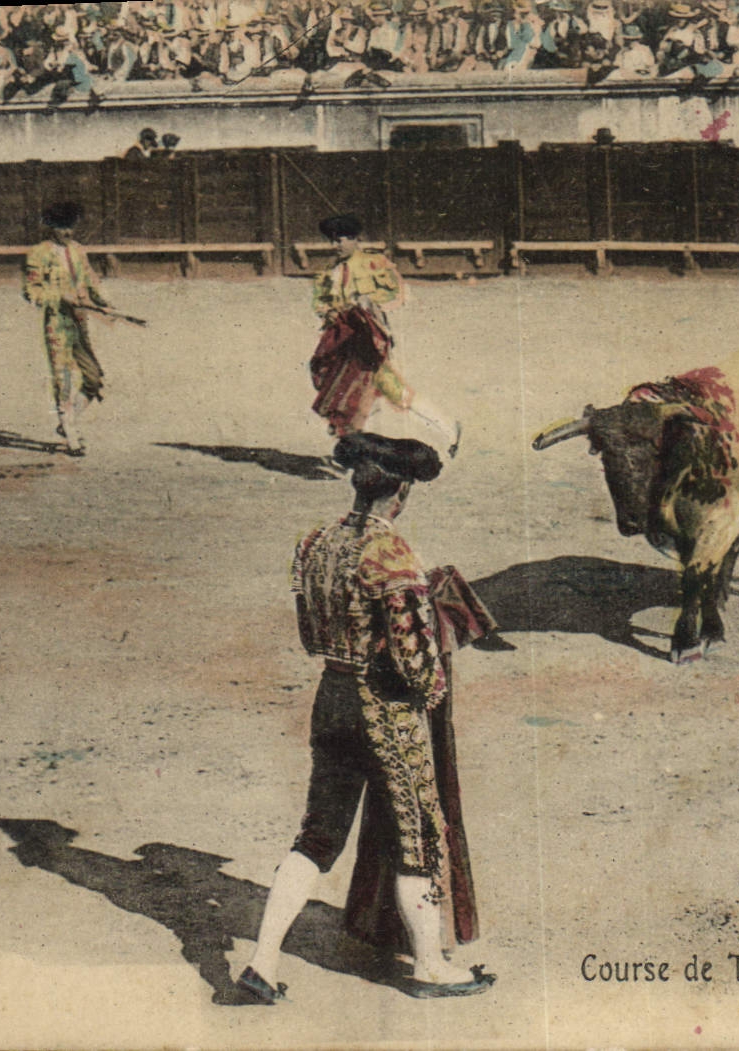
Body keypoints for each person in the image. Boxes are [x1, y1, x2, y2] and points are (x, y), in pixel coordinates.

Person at [238, 431, 494, 1003]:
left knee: (319, 833)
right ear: (399, 493)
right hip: (383, 707)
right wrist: (429, 692)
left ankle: (262, 960)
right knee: (417, 834)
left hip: (330, 694)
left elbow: (310, 635)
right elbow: (412, 652)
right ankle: (430, 965)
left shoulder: (314, 544)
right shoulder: (393, 553)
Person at [309, 213, 460, 455]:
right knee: (352, 391)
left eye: (341, 239)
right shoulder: (330, 272)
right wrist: (328, 312)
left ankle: (448, 427)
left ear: (355, 240)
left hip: (369, 342)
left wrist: (370, 303)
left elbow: (398, 294)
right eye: (333, 240)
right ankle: (355, 446)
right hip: (343, 345)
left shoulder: (372, 263)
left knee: (385, 389)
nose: (336, 245)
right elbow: (320, 304)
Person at [22, 201, 112, 457]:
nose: (68, 232)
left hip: (80, 321)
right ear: (51, 227)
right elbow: (31, 291)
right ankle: (70, 432)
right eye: (62, 227)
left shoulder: (78, 251)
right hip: (57, 322)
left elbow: (91, 279)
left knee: (93, 377)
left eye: (71, 226)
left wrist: (104, 302)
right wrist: (61, 297)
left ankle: (67, 422)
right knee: (64, 379)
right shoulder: (38, 253)